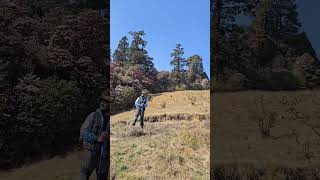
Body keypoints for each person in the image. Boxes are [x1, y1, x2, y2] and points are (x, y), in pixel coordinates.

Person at [79, 95, 110, 180]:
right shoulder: (92, 116)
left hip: (104, 155)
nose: (103, 103)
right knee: (84, 175)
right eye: (102, 101)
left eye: (107, 102)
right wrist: (97, 138)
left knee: (102, 176)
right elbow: (83, 133)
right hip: (90, 153)